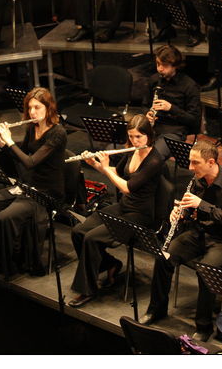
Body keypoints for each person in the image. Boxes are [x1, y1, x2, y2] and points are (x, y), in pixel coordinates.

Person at [140, 140, 222, 341]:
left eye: (195, 163)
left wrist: (202, 205)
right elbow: (192, 212)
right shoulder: (198, 180)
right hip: (199, 233)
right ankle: (156, 309)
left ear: (211, 162)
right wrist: (181, 214)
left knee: (206, 270)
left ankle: (204, 326)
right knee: (163, 257)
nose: (190, 167)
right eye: (190, 162)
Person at [67, 115, 165, 308]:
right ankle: (109, 264)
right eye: (131, 136)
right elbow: (116, 173)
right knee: (78, 231)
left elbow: (127, 187)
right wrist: (95, 164)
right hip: (124, 207)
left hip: (140, 215)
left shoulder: (155, 160)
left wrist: (106, 168)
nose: (135, 141)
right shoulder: (132, 152)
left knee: (91, 238)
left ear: (149, 135)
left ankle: (87, 290)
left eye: (139, 137)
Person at [0, 87, 68, 277]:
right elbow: (19, 157)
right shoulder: (32, 128)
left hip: (46, 192)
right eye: (29, 108)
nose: (32, 112)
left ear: (49, 108)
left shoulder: (58, 133)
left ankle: (10, 264)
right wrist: (0, 143)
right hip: (27, 185)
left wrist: (9, 141)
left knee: (5, 216)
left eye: (37, 107)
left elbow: (30, 162)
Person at [144, 45, 201, 157]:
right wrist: (147, 113)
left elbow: (194, 120)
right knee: (126, 149)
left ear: (175, 66)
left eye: (164, 65)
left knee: (153, 156)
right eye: (158, 64)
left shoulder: (189, 86)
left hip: (174, 131)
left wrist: (171, 108)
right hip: (152, 127)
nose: (160, 69)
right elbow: (145, 105)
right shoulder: (154, 80)